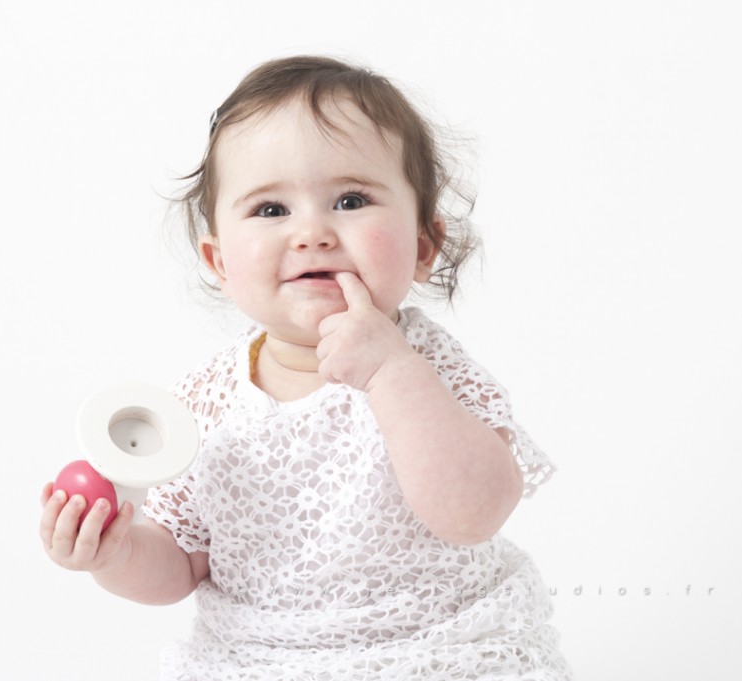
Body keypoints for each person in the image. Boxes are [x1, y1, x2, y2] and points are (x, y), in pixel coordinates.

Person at [38, 55, 571, 680]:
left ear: (423, 246)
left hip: (437, 647)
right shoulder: (202, 403)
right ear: (218, 260)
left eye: (351, 200)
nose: (312, 232)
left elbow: (474, 513)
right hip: (260, 659)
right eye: (271, 210)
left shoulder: (427, 367)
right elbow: (182, 565)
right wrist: (116, 551)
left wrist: (389, 372)